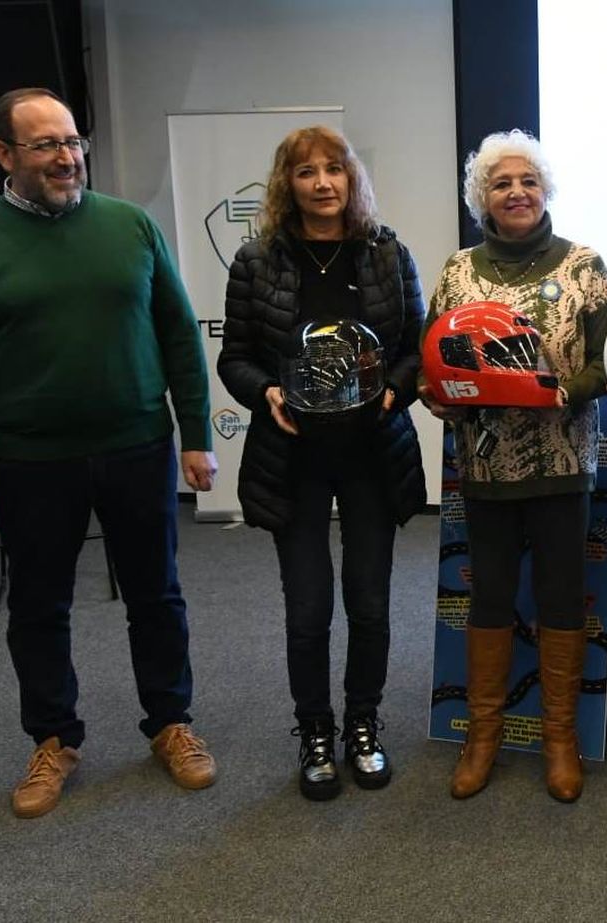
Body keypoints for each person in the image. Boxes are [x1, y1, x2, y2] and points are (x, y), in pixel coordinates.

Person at [0, 87, 219, 818]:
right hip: (29, 461)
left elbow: (179, 335)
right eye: (47, 145)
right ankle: (54, 736)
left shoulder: (130, 227)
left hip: (136, 446)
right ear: (4, 155)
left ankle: (171, 722)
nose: (67, 158)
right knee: (39, 604)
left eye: (73, 142)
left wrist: (197, 437)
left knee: (157, 594)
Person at [217, 126, 425, 801]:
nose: (322, 182)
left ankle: (363, 724)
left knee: (368, 604)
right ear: (288, 184)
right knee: (307, 611)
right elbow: (235, 356)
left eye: (334, 168)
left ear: (352, 177)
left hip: (372, 453)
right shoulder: (257, 261)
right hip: (292, 458)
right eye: (306, 171)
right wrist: (267, 390)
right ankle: (314, 730)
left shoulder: (389, 254)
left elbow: (417, 347)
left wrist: (397, 388)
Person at [420, 129, 607, 803]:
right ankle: (483, 736)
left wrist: (570, 388)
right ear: (484, 197)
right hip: (484, 468)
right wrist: (439, 394)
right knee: (492, 596)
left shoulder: (585, 265)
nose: (517, 192)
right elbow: (436, 360)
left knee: (563, 596)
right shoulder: (456, 271)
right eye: (502, 183)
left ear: (545, 190)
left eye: (528, 181)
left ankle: (559, 737)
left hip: (563, 460)